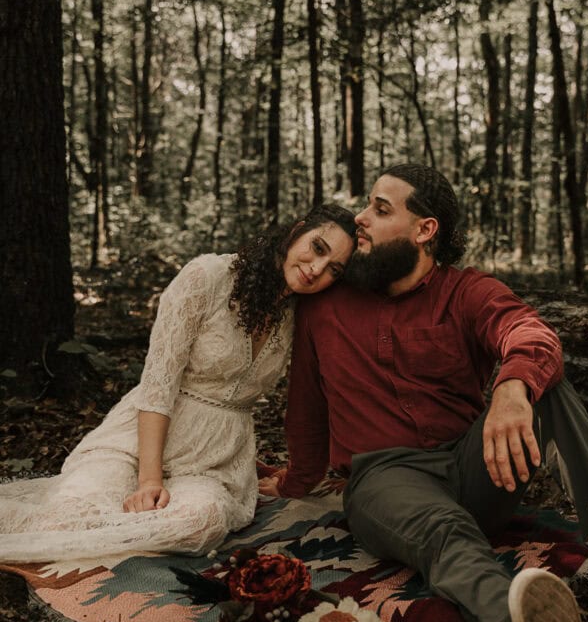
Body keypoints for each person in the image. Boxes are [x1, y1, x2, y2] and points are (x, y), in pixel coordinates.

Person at [260, 164, 588, 622]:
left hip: (473, 464)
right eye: (366, 205)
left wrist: (512, 388)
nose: (360, 218)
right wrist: (294, 481)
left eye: (380, 208)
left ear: (425, 230)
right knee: (443, 529)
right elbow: (306, 407)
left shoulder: (467, 291)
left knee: (546, 386)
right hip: (385, 480)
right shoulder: (326, 303)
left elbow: (531, 333)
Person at [0, 204, 356, 564]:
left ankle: (115, 530)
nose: (316, 269)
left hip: (213, 462)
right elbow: (158, 384)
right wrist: (148, 480)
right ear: (297, 231)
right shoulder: (208, 277)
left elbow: (311, 403)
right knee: (71, 517)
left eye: (333, 269)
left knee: (202, 523)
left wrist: (297, 478)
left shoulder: (302, 315)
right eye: (318, 248)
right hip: (136, 444)